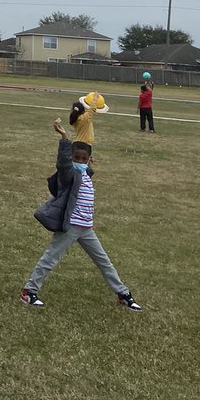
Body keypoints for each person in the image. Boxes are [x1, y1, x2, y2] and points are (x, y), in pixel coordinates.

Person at [20, 119, 142, 311]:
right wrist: (64, 139)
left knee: (104, 261)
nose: (80, 162)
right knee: (50, 258)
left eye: (84, 159)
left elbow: (87, 159)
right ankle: (29, 292)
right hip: (70, 226)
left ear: (89, 160)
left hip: (86, 228)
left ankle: (123, 294)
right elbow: (63, 164)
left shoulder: (86, 174)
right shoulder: (69, 175)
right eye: (76, 158)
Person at [68, 91, 109, 155]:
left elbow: (89, 111)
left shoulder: (75, 119)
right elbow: (92, 108)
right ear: (83, 110)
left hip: (76, 144)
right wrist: (95, 98)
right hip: (85, 145)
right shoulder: (85, 118)